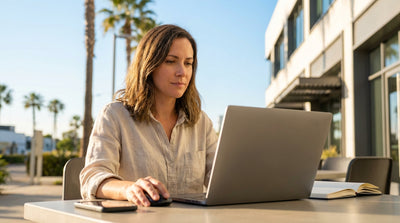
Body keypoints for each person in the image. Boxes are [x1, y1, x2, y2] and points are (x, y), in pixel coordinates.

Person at [80, 24, 218, 207]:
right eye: (171, 61)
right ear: (149, 65)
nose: (182, 72)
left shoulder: (202, 123)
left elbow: (219, 180)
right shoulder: (114, 115)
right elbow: (93, 177)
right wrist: (128, 189)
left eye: (188, 63)